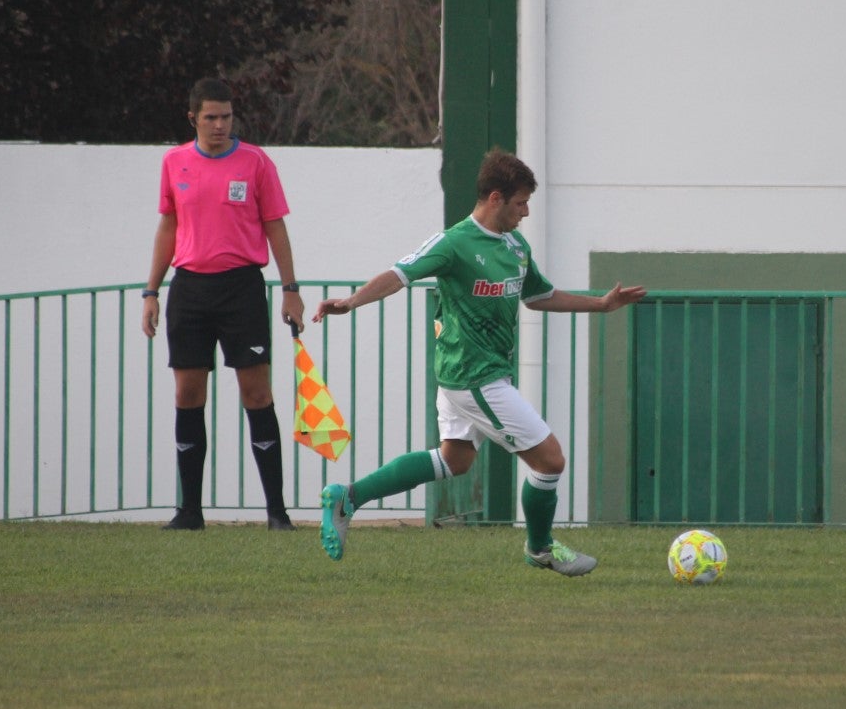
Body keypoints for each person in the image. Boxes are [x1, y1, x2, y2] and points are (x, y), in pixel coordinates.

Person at [312, 149, 646, 575]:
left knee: (455, 460)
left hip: (480, 374)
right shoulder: (454, 243)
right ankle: (540, 548)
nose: (526, 212)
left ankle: (348, 497)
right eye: (521, 203)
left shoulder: (515, 246)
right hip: (473, 376)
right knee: (550, 460)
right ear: (495, 198)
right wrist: (352, 301)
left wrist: (599, 304)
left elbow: (538, 296)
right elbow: (399, 274)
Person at [141, 77, 306, 531]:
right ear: (193, 118)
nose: (220, 125)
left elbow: (275, 227)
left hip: (241, 289)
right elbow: (168, 227)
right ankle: (189, 512)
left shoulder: (256, 162)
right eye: (211, 117)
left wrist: (290, 288)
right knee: (187, 394)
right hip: (189, 290)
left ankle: (277, 513)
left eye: (227, 117)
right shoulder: (174, 162)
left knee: (257, 393)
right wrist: (151, 292)